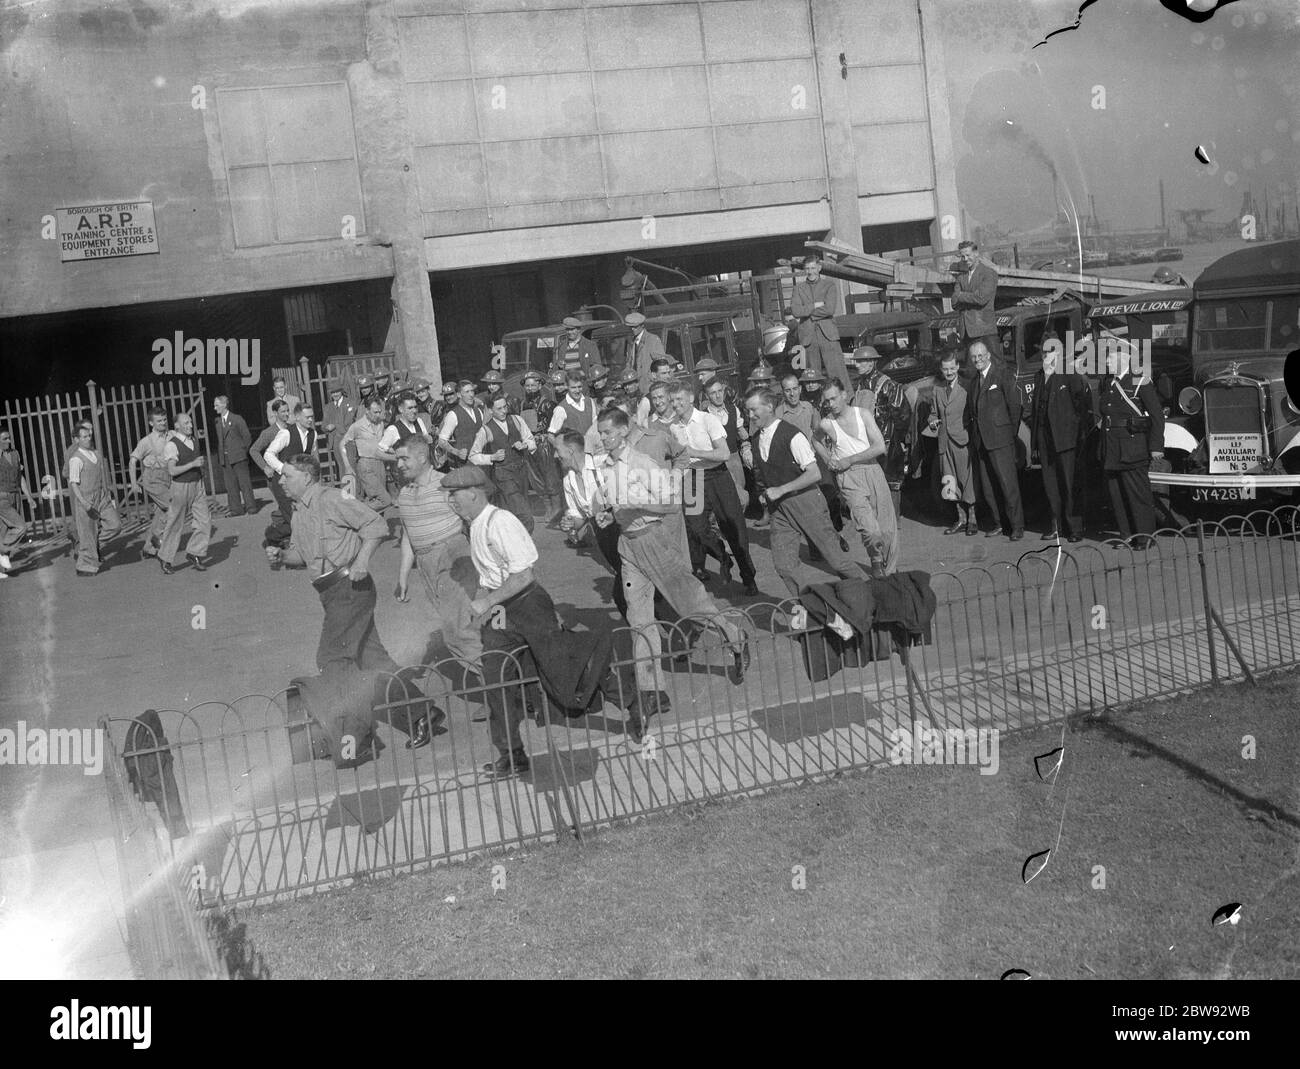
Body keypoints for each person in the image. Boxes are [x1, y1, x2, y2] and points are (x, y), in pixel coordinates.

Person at [596, 408, 749, 739]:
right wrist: (609, 516)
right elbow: (610, 505)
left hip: (655, 541)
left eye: (608, 432)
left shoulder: (641, 464)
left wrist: (636, 507)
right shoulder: (605, 467)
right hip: (629, 547)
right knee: (640, 623)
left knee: (691, 605)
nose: (603, 438)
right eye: (601, 433)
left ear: (623, 432)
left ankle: (734, 637)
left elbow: (670, 502)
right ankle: (650, 692)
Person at [268, 454, 436, 749]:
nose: (281, 480)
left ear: (307, 477)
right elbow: (300, 556)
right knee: (372, 659)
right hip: (331, 594)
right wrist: (282, 556)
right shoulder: (298, 512)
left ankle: (352, 736)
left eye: (287, 475)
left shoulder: (333, 498)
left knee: (331, 659)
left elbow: (376, 524)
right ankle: (422, 713)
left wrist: (361, 560)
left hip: (351, 588)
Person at [443, 465, 566, 778]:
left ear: (474, 493)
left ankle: (632, 701)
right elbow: (492, 575)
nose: (452, 502)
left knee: (562, 668)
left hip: (529, 605)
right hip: (502, 612)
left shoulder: (502, 521)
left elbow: (524, 575)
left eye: (455, 495)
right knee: (496, 678)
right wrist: (486, 605)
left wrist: (486, 601)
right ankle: (513, 755)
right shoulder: (474, 525)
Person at [743, 386, 872, 599]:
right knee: (784, 566)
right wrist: (765, 493)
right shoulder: (756, 439)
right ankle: (809, 606)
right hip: (780, 510)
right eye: (747, 411)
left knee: (836, 560)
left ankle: (870, 596)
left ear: (769, 407)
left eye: (754, 410)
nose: (750, 415)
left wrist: (781, 489)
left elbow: (814, 474)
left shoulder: (791, 435)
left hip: (807, 502)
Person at [393, 436, 482, 681]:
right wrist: (403, 577)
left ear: (422, 457)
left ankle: (501, 687)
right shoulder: (404, 493)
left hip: (452, 555)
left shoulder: (446, 484)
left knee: (458, 629)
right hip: (425, 564)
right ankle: (498, 684)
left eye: (404, 458)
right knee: (454, 626)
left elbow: (474, 520)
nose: (399, 465)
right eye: (397, 459)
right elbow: (408, 537)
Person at [667, 381, 757, 595]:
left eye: (679, 399)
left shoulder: (708, 420)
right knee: (696, 528)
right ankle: (723, 557)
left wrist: (694, 452)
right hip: (693, 479)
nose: (675, 404)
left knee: (734, 528)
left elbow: (724, 453)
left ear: (690, 399)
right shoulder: (674, 427)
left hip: (718, 476)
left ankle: (748, 578)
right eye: (672, 401)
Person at [815, 378, 897, 576]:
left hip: (873, 471)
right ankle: (876, 558)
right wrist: (828, 459)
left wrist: (849, 459)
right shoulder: (827, 423)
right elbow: (815, 440)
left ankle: (889, 571)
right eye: (827, 401)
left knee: (887, 530)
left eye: (834, 398)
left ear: (844, 395)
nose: (831, 404)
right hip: (848, 478)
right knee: (870, 529)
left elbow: (880, 447)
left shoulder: (863, 415)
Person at [1099, 342, 1164, 549]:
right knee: (1117, 496)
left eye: (1110, 357)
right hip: (1111, 447)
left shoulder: (1140, 380)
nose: (1107, 361)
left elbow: (1156, 416)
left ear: (1124, 358)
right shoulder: (1109, 381)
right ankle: (1125, 535)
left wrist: (1156, 446)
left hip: (1132, 447)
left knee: (1138, 494)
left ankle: (1145, 537)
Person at [1030, 342, 1092, 542]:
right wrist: (1036, 442)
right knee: (1051, 485)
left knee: (1070, 483)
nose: (1048, 356)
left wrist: (1077, 432)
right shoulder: (1039, 376)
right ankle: (1056, 526)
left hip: (1066, 439)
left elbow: (1082, 404)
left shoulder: (1069, 373)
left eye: (1052, 351)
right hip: (1046, 440)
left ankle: (1075, 528)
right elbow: (1036, 410)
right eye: (1045, 352)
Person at [965, 341, 1024, 540]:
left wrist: (1009, 434)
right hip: (982, 442)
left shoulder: (1002, 375)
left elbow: (1014, 406)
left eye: (981, 355)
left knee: (1008, 486)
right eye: (974, 357)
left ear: (988, 355)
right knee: (989, 488)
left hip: (1001, 440)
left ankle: (1017, 527)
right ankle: (1000, 523)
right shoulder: (974, 381)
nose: (977, 360)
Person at [471, 395, 538, 532]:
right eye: (499, 408)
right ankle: (524, 543)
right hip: (503, 475)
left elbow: (531, 441)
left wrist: (525, 444)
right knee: (525, 515)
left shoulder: (517, 420)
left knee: (512, 513)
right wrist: (492, 457)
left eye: (505, 407)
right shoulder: (486, 430)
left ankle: (511, 544)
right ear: (490, 410)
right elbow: (473, 455)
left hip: (521, 472)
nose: (504, 411)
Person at [157, 411, 213, 574]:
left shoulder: (193, 441)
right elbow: (172, 471)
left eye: (190, 423)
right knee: (175, 524)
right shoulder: (172, 445)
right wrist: (193, 464)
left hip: (197, 485)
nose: (190, 426)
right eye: (186, 423)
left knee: (204, 521)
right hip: (180, 487)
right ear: (177, 426)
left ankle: (195, 553)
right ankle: (165, 557)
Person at [66, 423, 124, 577]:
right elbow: (73, 483)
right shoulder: (76, 459)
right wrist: (83, 502)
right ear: (76, 439)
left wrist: (107, 495)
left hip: (101, 496)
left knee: (115, 525)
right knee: (87, 533)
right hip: (86, 498)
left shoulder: (96, 454)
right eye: (84, 437)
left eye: (89, 435)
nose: (88, 439)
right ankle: (84, 567)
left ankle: (95, 545)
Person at [930, 353, 978, 535]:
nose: (948, 372)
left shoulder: (966, 387)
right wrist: (932, 421)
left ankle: (973, 519)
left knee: (967, 481)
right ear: (941, 369)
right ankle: (961, 519)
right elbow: (934, 414)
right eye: (945, 369)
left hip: (962, 441)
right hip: (944, 442)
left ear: (957, 367)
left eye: (952, 368)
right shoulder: (937, 389)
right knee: (949, 481)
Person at [789, 257, 849, 387]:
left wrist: (808, 312)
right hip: (808, 337)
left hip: (828, 334)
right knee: (812, 376)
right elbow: (796, 311)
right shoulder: (798, 288)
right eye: (807, 269)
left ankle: (847, 400)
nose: (810, 272)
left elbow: (829, 309)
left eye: (813, 268)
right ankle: (815, 404)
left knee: (837, 373)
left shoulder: (829, 285)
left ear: (819, 268)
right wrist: (815, 305)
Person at [128, 409, 174, 560]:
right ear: (151, 423)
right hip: (153, 479)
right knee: (173, 506)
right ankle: (158, 539)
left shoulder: (172, 435)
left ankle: (149, 548)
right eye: (159, 421)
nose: (163, 423)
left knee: (162, 513)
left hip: (168, 476)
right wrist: (134, 483)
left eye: (164, 420)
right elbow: (133, 461)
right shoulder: (146, 441)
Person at [951, 241, 1003, 362]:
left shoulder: (989, 273)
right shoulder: (961, 277)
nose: (965, 259)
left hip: (984, 330)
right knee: (971, 372)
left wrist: (961, 295)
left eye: (968, 255)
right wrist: (968, 296)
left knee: (996, 366)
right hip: (967, 333)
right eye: (962, 256)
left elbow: (981, 298)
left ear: (976, 254)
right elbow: (954, 302)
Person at [701, 376, 749, 506]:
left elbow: (742, 433)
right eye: (713, 393)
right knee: (727, 497)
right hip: (717, 462)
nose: (718, 396)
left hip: (734, 458)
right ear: (707, 396)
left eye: (720, 391)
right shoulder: (703, 416)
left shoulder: (733, 409)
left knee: (741, 491)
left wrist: (747, 447)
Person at [340, 398, 396, 510]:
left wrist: (393, 450)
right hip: (365, 465)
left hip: (380, 465)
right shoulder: (357, 426)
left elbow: (380, 444)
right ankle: (355, 511)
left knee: (378, 501)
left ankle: (373, 524)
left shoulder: (381, 424)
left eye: (380, 411)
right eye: (375, 412)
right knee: (385, 500)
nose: (378, 414)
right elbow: (342, 444)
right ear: (367, 411)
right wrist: (347, 466)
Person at [251, 400, 293, 547]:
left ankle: (278, 530)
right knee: (287, 507)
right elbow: (254, 450)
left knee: (288, 507)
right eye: (283, 411)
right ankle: (280, 536)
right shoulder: (269, 433)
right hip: (275, 478)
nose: (287, 414)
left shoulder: (291, 429)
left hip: (291, 476)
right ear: (275, 413)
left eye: (288, 410)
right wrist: (264, 467)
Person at [0, 427, 37, 575]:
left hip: (15, 496)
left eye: (9, 438)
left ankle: (1, 567)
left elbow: (19, 477)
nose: (9, 441)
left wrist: (28, 496)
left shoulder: (15, 454)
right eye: (4, 439)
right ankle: (2, 551)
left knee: (4, 531)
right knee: (20, 527)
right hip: (1, 498)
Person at [212, 395, 255, 516]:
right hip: (225, 458)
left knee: (244, 483)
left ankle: (251, 507)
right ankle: (236, 509)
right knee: (230, 486)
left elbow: (247, 437)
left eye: (217, 405)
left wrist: (241, 451)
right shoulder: (217, 421)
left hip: (239, 457)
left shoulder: (236, 419)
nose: (215, 408)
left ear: (224, 404)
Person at [265, 403, 319, 483]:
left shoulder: (313, 434)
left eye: (311, 417)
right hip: (284, 482)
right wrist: (283, 468)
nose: (310, 420)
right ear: (297, 417)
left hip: (303, 483)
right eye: (307, 417)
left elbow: (312, 455)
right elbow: (268, 454)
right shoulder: (286, 433)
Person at [547, 373, 600, 453]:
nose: (577, 390)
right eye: (573, 388)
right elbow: (550, 436)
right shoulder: (561, 409)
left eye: (579, 387)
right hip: (574, 454)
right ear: (567, 387)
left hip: (592, 449)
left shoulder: (589, 401)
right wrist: (563, 450)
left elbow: (596, 426)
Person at [437, 381, 485, 470]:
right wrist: (457, 452)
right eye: (467, 392)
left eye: (472, 391)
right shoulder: (452, 414)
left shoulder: (478, 411)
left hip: (481, 462)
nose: (471, 395)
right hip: (464, 465)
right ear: (459, 394)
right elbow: (441, 441)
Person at [625, 311, 668, 392]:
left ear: (642, 326)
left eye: (635, 327)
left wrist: (652, 382)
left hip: (650, 388)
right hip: (635, 389)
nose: (632, 329)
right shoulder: (630, 342)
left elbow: (661, 366)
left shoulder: (652, 340)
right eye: (630, 327)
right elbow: (629, 363)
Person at [322, 383, 357, 464]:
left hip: (348, 441)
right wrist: (326, 428)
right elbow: (323, 425)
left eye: (337, 391)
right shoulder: (328, 407)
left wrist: (335, 426)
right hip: (335, 442)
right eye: (333, 392)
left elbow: (349, 423)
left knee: (350, 465)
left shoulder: (350, 403)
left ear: (341, 391)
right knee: (340, 466)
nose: (335, 394)